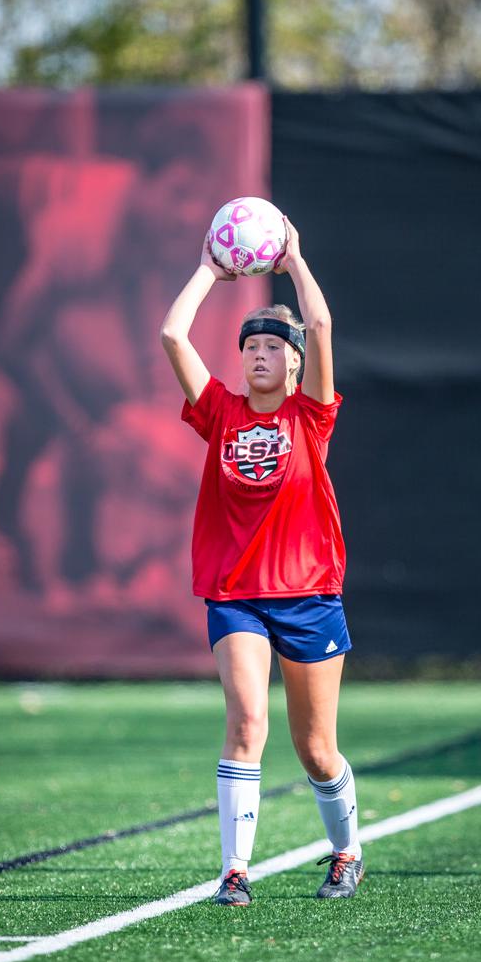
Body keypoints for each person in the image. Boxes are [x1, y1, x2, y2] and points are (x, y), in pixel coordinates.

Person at [160, 217, 362, 905]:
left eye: (272, 346)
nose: (258, 355)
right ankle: (235, 872)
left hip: (309, 595)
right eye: (249, 345)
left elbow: (323, 324)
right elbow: (170, 336)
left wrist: (296, 258)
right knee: (247, 722)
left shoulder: (310, 417)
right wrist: (211, 271)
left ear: (295, 363)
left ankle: (345, 852)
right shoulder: (219, 411)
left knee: (316, 750)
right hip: (236, 594)